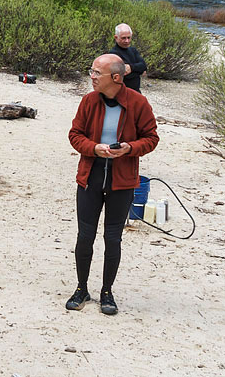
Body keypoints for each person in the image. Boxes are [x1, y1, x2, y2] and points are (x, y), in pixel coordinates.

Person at [66, 54, 159, 315]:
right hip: (90, 177)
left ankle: (107, 292)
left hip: (122, 181)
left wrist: (130, 148)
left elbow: (151, 138)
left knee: (112, 237)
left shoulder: (138, 103)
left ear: (116, 78)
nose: (92, 77)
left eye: (97, 73)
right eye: (92, 72)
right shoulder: (88, 101)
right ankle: (81, 288)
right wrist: (94, 148)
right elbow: (75, 135)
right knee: (85, 236)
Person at [108, 23, 147, 93]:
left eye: (129, 38)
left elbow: (143, 66)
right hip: (121, 93)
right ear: (116, 37)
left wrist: (131, 68)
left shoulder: (133, 50)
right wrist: (138, 70)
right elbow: (124, 75)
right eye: (123, 38)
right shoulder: (113, 54)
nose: (127, 41)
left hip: (136, 92)